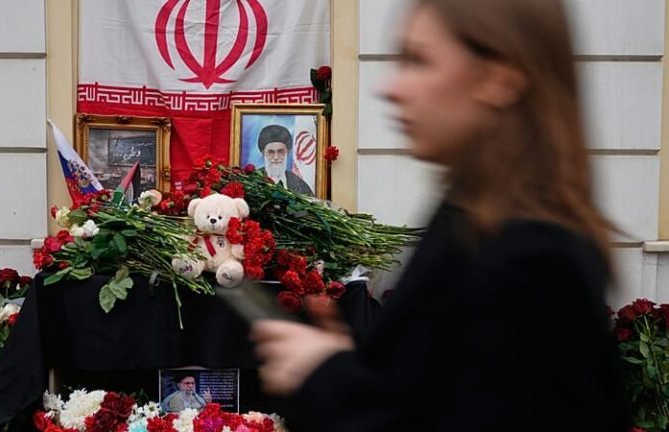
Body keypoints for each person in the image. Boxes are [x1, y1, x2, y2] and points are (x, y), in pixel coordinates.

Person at [250, 0, 630, 431]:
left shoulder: (533, 259)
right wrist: (343, 367)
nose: (391, 88)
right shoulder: (469, 217)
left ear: (499, 78)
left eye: (419, 61)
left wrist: (324, 379)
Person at [256, 124, 314, 196]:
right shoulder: (252, 180)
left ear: (288, 152)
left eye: (280, 151)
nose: (276, 157)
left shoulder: (300, 185)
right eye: (271, 152)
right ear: (263, 153)